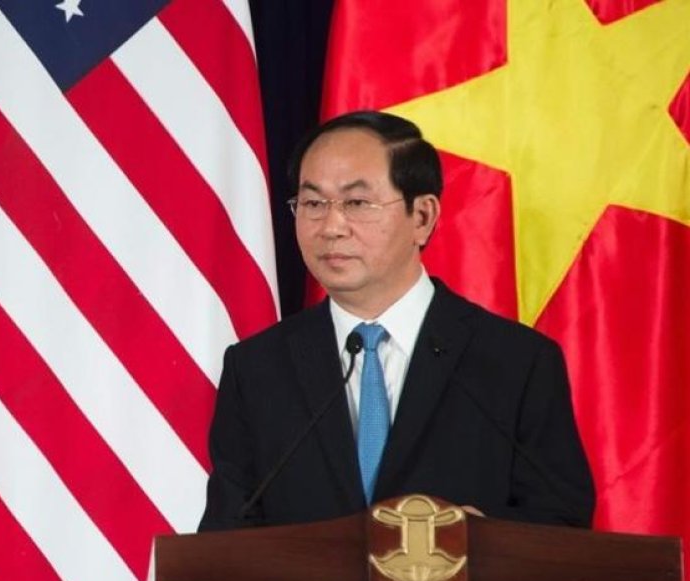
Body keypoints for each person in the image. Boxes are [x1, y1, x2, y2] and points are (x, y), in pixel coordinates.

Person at [199, 111, 594, 532]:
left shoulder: (516, 363)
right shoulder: (258, 369)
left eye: (357, 203)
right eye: (313, 203)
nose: (331, 227)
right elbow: (226, 544)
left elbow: (564, 527)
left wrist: (484, 538)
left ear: (422, 217)